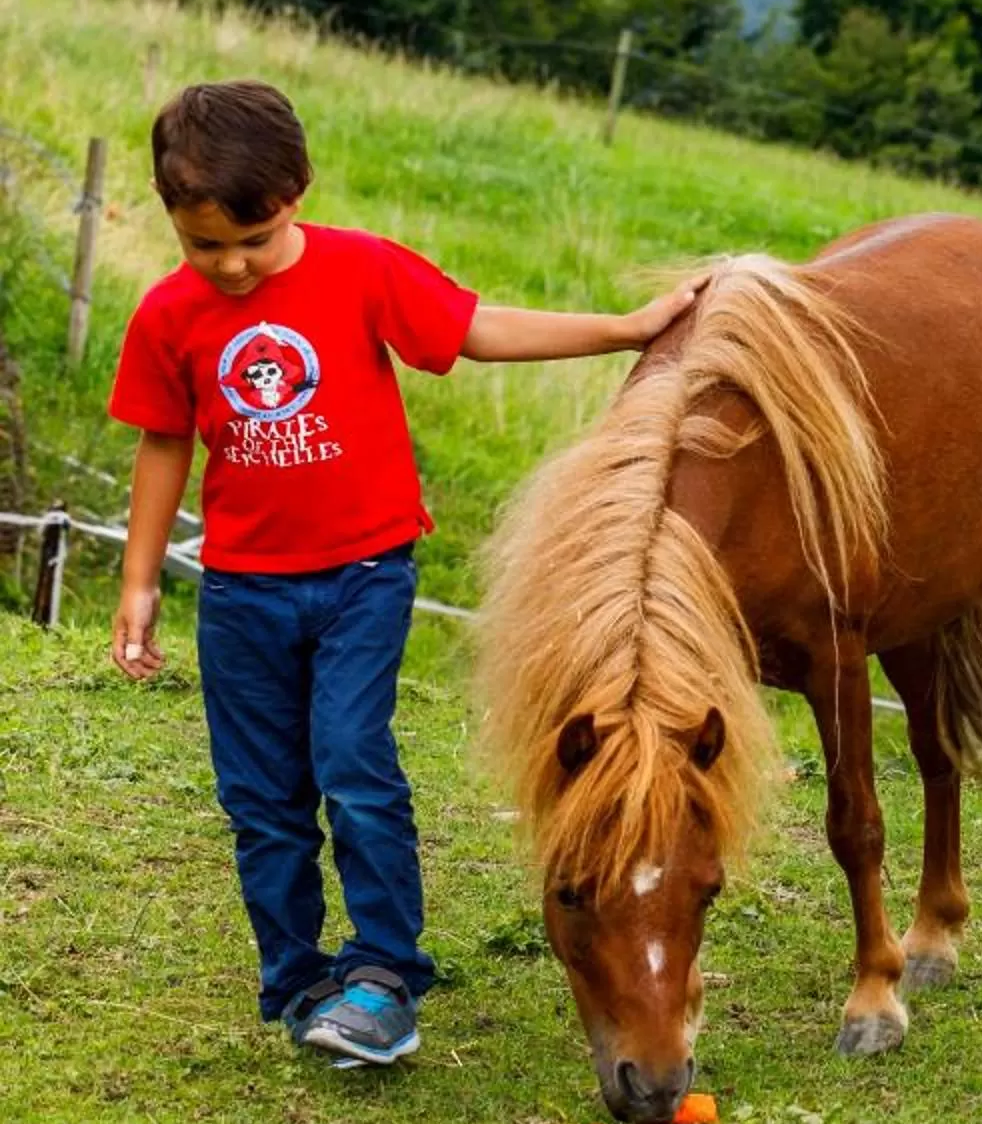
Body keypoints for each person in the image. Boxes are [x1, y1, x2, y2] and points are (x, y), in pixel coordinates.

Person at [107, 81, 700, 1068]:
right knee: (261, 795)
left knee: (352, 761)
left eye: (251, 237)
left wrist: (627, 327)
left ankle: (383, 973)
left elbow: (474, 329)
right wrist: (139, 581)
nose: (233, 264)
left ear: (297, 189)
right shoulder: (171, 313)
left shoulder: (362, 270)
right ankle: (300, 981)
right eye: (204, 245)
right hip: (243, 590)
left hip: (363, 575)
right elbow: (163, 442)